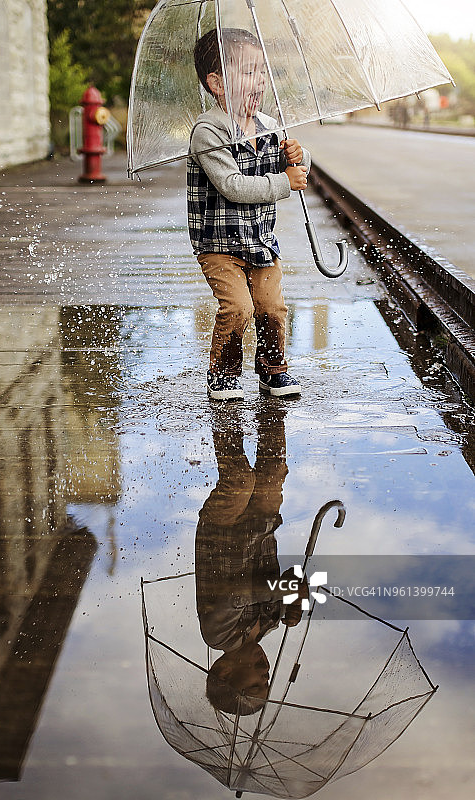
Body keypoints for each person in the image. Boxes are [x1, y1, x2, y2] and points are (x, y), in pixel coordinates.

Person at [188, 28, 311, 400]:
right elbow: (233, 186)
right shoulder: (209, 132)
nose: (259, 80)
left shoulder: (270, 127)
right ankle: (223, 374)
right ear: (217, 84)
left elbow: (294, 170)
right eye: (247, 71)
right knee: (238, 308)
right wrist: (284, 182)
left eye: (261, 71)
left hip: (261, 241)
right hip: (219, 245)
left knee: (272, 307)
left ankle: (273, 372)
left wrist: (299, 157)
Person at [195, 406, 307, 714]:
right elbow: (293, 577)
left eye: (256, 682)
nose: (265, 671)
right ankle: (272, 407)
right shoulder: (270, 622)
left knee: (239, 481)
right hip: (261, 527)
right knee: (274, 470)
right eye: (267, 680)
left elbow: (237, 595)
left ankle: (225, 409)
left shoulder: (217, 635)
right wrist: (297, 599)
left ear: (224, 671)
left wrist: (283, 591)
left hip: (221, 530)